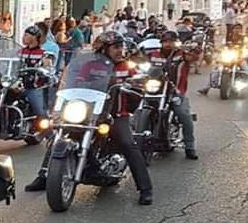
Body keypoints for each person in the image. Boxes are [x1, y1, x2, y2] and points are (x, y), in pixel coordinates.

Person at [25, 31, 153, 205]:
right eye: (115, 47)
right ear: (103, 49)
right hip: (89, 112)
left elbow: (139, 83)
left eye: (120, 47)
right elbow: (75, 81)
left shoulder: (126, 67)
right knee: (59, 135)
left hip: (116, 114)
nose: (119, 51)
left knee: (127, 143)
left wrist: (136, 83)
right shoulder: (91, 65)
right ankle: (44, 175)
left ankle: (145, 189)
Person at [152, 31, 198, 159]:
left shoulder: (181, 54)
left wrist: (194, 51)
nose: (168, 44)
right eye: (166, 41)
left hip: (175, 91)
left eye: (171, 41)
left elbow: (193, 57)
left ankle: (190, 146)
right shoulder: (153, 54)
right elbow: (140, 62)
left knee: (184, 115)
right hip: (154, 90)